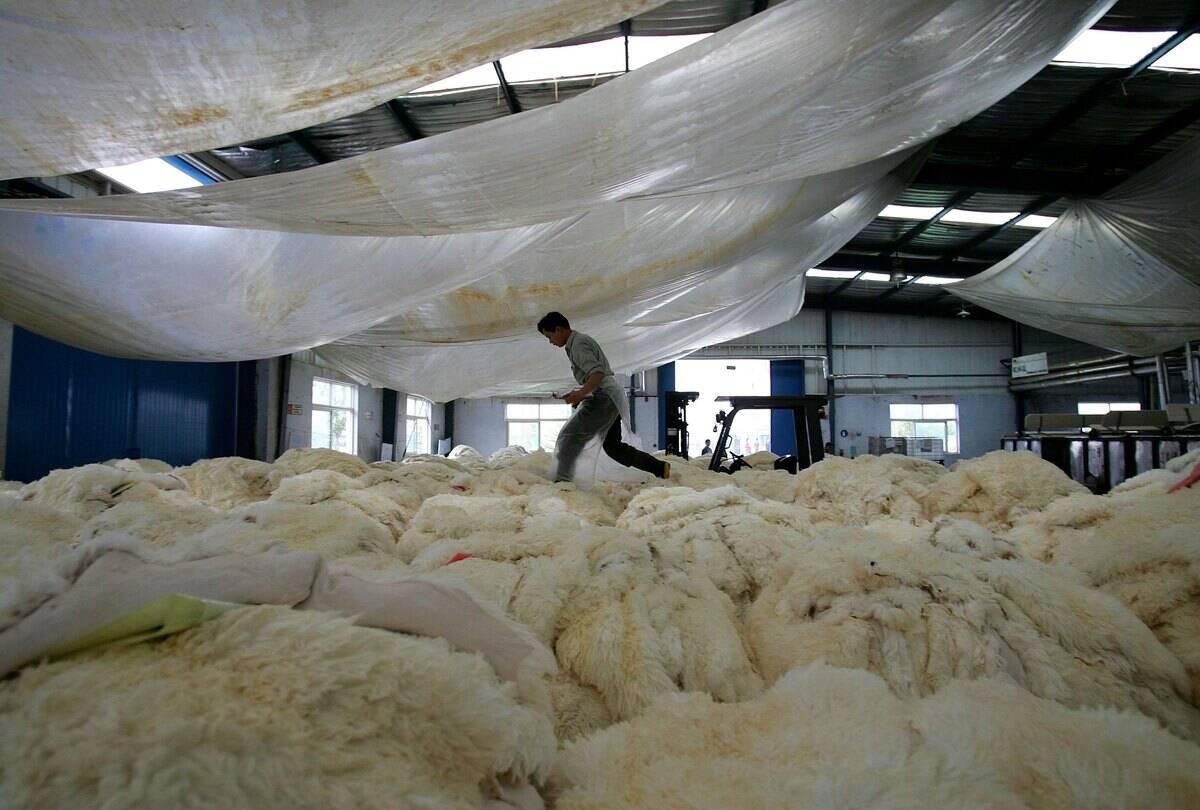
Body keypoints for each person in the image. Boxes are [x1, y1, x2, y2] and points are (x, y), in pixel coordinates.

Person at [538, 312, 669, 483]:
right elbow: (595, 375)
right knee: (613, 447)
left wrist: (580, 394)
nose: (550, 342)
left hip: (604, 396)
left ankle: (563, 483)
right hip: (608, 394)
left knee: (569, 436)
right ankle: (659, 468)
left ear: (559, 329)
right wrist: (580, 393)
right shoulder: (575, 344)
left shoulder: (578, 344)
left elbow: (597, 373)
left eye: (549, 336)